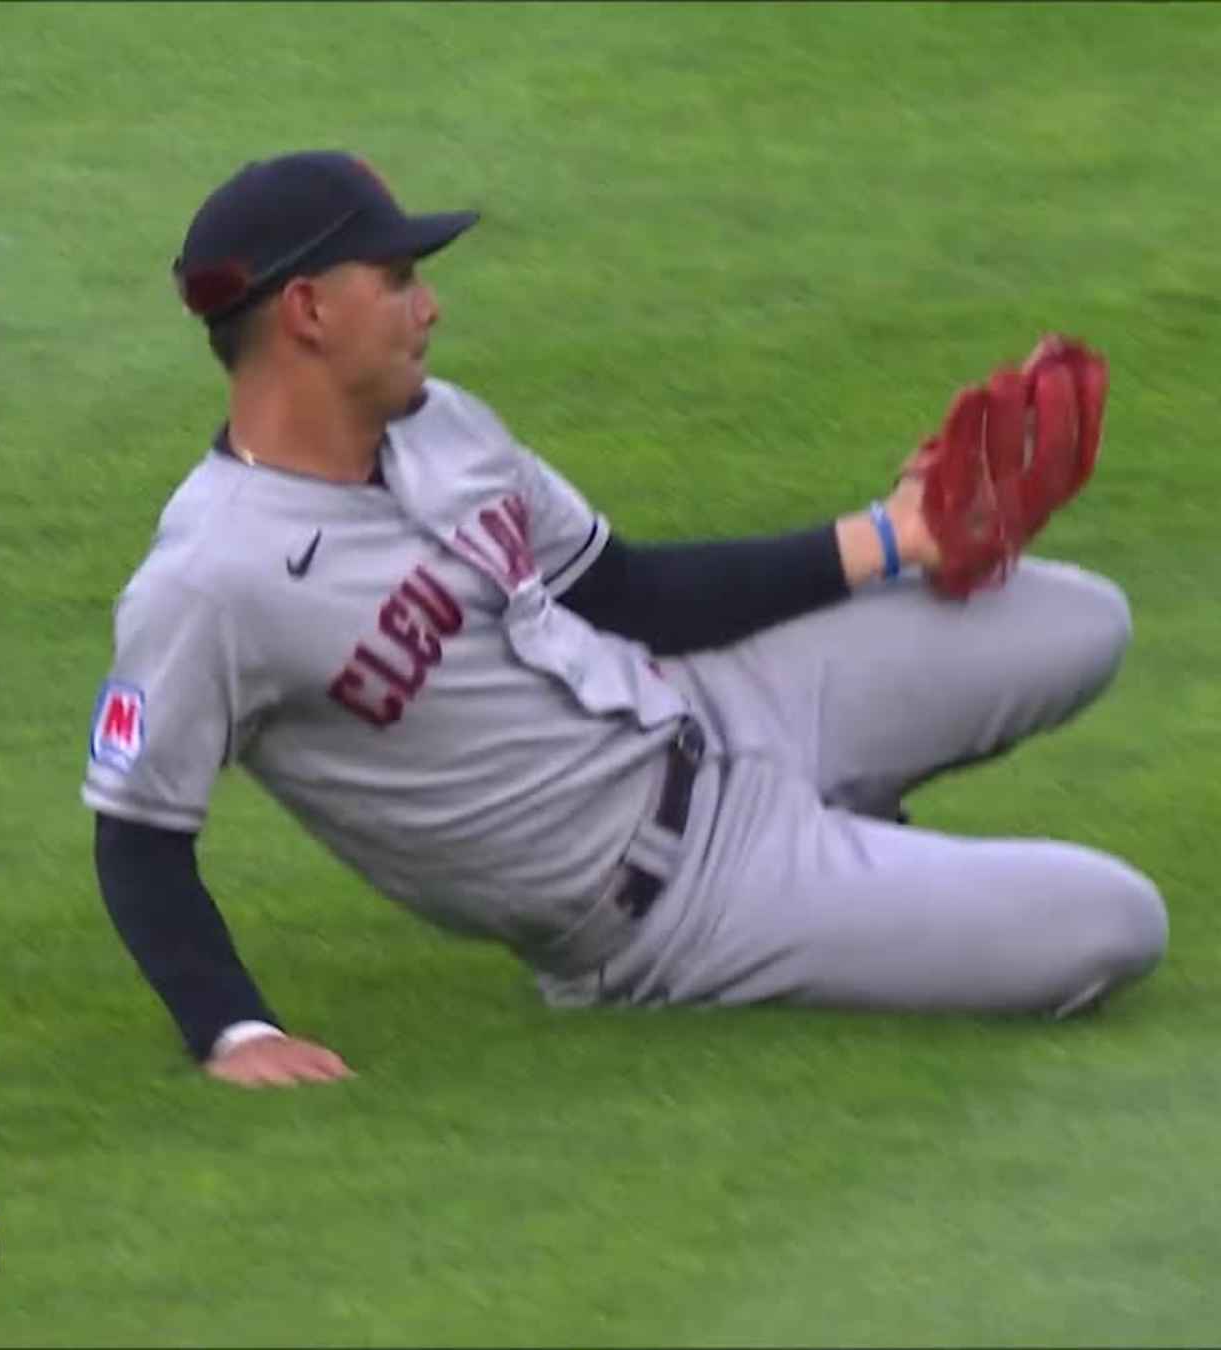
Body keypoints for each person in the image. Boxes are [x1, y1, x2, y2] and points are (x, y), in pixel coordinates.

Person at [84, 150, 1166, 1087]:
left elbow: (631, 595)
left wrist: (895, 536)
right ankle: (836, 876)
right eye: (400, 278)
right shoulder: (212, 581)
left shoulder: (443, 426)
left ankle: (855, 821)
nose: (430, 308)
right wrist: (232, 1029)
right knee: (1114, 923)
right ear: (309, 311)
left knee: (1078, 620)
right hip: (679, 904)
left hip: (722, 708)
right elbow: (138, 831)